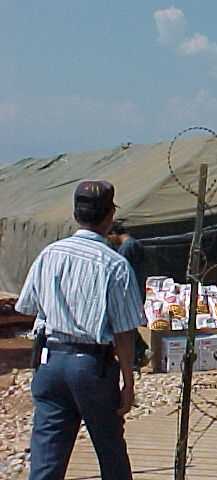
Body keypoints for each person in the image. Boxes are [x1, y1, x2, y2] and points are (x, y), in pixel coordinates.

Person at [15, 180, 145, 480]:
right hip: (91, 365)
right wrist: (128, 381)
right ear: (110, 215)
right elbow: (125, 331)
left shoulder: (49, 254)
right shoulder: (114, 264)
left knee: (47, 455)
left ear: (76, 214)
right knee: (110, 450)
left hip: (49, 361)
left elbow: (28, 305)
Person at [108, 221, 149, 370]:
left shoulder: (127, 248)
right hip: (136, 290)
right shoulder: (133, 245)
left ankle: (138, 354)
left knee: (125, 327)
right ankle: (139, 353)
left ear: (113, 234)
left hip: (129, 292)